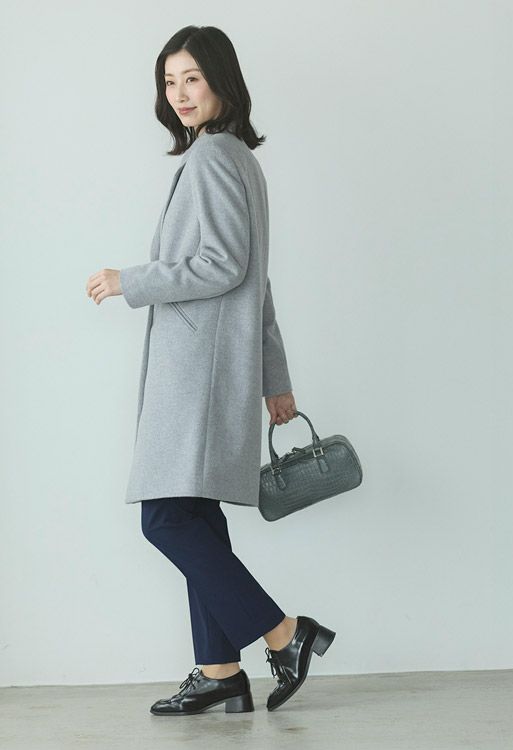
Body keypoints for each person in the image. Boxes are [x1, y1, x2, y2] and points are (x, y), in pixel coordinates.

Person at [84, 25, 335, 716]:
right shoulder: (235, 158)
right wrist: (275, 378)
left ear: (222, 79)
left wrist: (130, 280)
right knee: (193, 516)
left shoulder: (214, 158)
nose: (180, 93)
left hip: (198, 372)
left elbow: (224, 267)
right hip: (215, 367)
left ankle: (284, 634)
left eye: (192, 78)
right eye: (170, 81)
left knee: (165, 519)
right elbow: (259, 284)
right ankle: (220, 669)